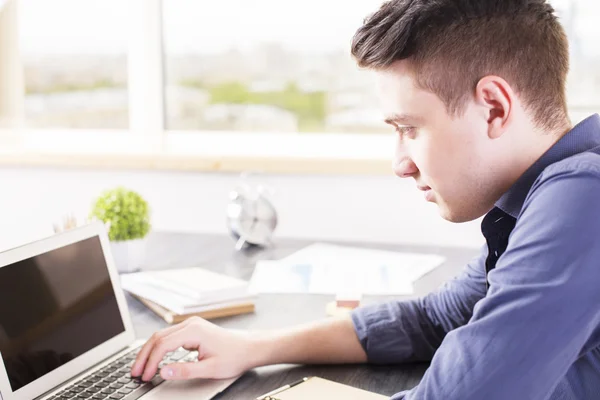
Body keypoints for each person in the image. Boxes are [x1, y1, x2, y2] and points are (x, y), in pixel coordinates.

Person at [131, 0, 600, 398]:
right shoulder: (540, 198)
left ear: (494, 107)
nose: (400, 163)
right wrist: (253, 347)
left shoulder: (583, 197)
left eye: (409, 129)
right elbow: (434, 319)